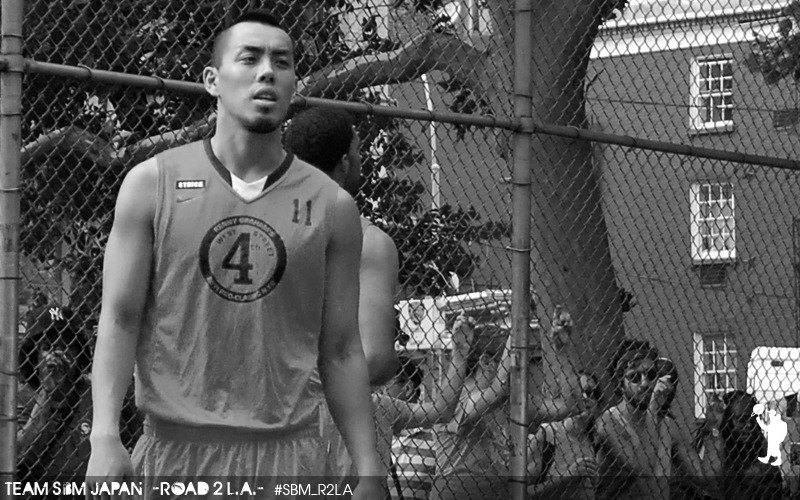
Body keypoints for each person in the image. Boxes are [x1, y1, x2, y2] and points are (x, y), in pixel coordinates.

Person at [85, 9, 383, 499]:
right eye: (249, 58)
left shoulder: (333, 206)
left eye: (282, 62)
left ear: (293, 84)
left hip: (290, 460)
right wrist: (103, 435)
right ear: (213, 80)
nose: (267, 71)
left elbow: (343, 348)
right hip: (176, 454)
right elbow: (119, 318)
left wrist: (368, 464)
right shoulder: (151, 184)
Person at [284, 106, 399, 385]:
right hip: (322, 404)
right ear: (345, 163)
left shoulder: (259, 221)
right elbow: (374, 359)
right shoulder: (368, 242)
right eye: (358, 151)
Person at [429, 307, 583, 500]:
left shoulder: (510, 401)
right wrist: (521, 316)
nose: (521, 368)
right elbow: (497, 389)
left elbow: (570, 405)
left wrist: (563, 351)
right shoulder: (455, 399)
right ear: (487, 362)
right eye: (514, 359)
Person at [595, 344, 715, 500]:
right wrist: (653, 409)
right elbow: (643, 468)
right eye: (634, 377)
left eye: (651, 375)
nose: (645, 383)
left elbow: (705, 479)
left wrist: (713, 428)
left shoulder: (668, 425)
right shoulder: (608, 421)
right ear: (621, 385)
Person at [526, 370, 603, 500]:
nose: (584, 397)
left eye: (590, 393)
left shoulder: (594, 441)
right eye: (576, 393)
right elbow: (521, 492)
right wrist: (567, 477)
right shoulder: (548, 434)